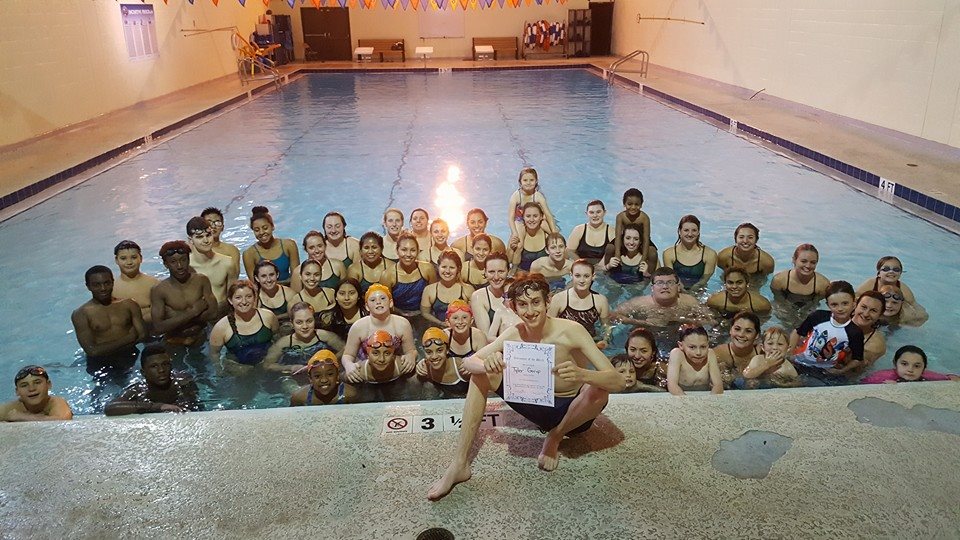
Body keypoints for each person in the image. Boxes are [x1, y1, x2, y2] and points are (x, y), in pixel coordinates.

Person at [427, 274, 624, 500]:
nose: (530, 311)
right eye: (522, 304)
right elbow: (469, 363)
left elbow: (618, 381)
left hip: (572, 414)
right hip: (534, 406)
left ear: (548, 301)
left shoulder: (572, 331)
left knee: (598, 390)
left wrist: (583, 374)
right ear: (513, 307)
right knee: (481, 376)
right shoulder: (515, 333)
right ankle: (459, 464)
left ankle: (555, 437)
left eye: (536, 302)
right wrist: (487, 364)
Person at [71, 266, 147, 376]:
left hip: (130, 355)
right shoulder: (81, 314)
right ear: (88, 286)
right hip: (101, 362)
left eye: (107, 283)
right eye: (96, 285)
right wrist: (129, 338)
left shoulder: (129, 305)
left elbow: (143, 335)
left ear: (113, 282)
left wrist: (106, 348)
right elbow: (92, 351)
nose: (103, 288)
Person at [788, 280, 864, 378]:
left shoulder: (855, 332)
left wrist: (841, 371)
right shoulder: (818, 316)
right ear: (828, 305)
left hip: (825, 371)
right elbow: (797, 332)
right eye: (834, 304)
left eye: (845, 303)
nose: (840, 308)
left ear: (854, 304)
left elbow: (857, 359)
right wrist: (790, 353)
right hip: (800, 361)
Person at [341, 284, 417, 381]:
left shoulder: (402, 324)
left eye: (382, 298)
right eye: (373, 300)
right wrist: (349, 365)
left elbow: (411, 350)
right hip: (366, 368)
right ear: (367, 306)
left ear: (390, 303)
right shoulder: (358, 327)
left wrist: (411, 356)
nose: (378, 302)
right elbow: (348, 355)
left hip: (394, 366)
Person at [151, 241, 219, 347]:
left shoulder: (201, 280)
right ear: (166, 264)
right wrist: (193, 312)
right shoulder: (159, 290)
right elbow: (158, 327)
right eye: (173, 262)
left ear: (188, 260)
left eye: (183, 260)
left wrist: (177, 318)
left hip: (201, 335)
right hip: (175, 340)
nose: (179, 266)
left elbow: (213, 313)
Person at [104, 343, 201, 415]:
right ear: (143, 372)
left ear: (171, 367)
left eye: (165, 364)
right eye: (154, 366)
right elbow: (110, 408)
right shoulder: (139, 390)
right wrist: (158, 406)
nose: (161, 370)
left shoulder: (183, 382)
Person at [208, 280, 279, 372]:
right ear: (230, 300)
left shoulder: (268, 316)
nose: (244, 301)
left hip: (267, 364)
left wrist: (273, 358)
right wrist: (220, 372)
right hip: (239, 370)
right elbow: (214, 354)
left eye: (249, 296)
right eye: (238, 298)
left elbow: (277, 340)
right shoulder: (221, 328)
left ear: (255, 298)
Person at [263, 302, 344, 374]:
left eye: (309, 321)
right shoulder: (283, 343)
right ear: (292, 323)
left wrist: (328, 361)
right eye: (299, 322)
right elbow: (267, 365)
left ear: (314, 320)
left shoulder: (325, 336)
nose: (305, 326)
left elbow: (345, 350)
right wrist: (290, 368)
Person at [613, 267, 706, 327]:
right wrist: (645, 323)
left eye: (670, 282)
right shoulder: (639, 303)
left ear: (678, 287)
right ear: (652, 288)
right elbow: (613, 316)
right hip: (646, 335)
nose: (665, 287)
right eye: (659, 283)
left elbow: (710, 320)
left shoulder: (689, 302)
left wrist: (680, 320)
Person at [548, 259, 611, 348]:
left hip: (591, 342)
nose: (582, 280)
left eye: (586, 276)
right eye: (577, 276)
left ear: (593, 277)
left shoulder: (600, 300)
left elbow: (606, 326)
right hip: (565, 343)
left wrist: (605, 340)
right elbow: (548, 327)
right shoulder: (559, 299)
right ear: (571, 276)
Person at [186, 216, 238, 309]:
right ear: (191, 240)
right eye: (199, 237)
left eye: (208, 235)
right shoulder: (186, 267)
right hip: (198, 315)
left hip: (222, 312)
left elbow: (234, 297)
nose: (206, 240)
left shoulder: (227, 263)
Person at [380, 231, 436, 317]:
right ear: (397, 251)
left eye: (413, 250)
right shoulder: (387, 275)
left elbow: (434, 296)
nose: (408, 254)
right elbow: (386, 305)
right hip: (398, 316)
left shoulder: (427, 269)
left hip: (425, 315)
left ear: (418, 251)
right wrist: (402, 313)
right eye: (404, 250)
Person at [241, 206, 300, 285]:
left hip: (289, 290)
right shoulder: (249, 254)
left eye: (265, 228)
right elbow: (255, 285)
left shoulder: (289, 245)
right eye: (257, 230)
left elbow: (296, 278)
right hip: (265, 292)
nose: (261, 232)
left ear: (272, 227)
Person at [856, 256, 927, 322]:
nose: (891, 272)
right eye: (886, 269)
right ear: (879, 273)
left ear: (900, 273)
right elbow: (855, 299)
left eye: (896, 269)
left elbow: (916, 306)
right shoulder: (870, 284)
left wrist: (918, 317)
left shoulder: (903, 289)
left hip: (892, 315)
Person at [660, 215, 717, 290]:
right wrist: (684, 292)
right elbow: (672, 279)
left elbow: (703, 281)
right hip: (677, 290)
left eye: (694, 230)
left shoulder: (710, 254)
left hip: (698, 292)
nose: (690, 234)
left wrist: (691, 293)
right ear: (679, 231)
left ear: (698, 232)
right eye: (686, 230)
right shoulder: (669, 254)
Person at [420, 250, 474, 327]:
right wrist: (441, 323)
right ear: (438, 267)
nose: (447, 271)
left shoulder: (467, 290)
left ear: (458, 269)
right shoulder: (429, 290)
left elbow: (473, 315)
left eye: (452, 267)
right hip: (438, 329)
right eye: (444, 267)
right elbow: (425, 313)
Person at [112, 240, 159, 327]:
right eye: (123, 258)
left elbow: (161, 312)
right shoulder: (112, 288)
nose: (129, 262)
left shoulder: (154, 284)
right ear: (116, 260)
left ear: (140, 258)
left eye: (133, 257)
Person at [666, 324, 723, 396]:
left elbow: (718, 385)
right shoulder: (677, 354)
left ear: (708, 345)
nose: (698, 353)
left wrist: (710, 400)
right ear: (681, 345)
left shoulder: (710, 354)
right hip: (682, 396)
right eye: (692, 347)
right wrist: (686, 401)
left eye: (703, 347)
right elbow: (672, 385)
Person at [0, 366, 73, 422]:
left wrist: (23, 417)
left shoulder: (56, 402)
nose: (31, 389)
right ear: (17, 391)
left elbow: (63, 421)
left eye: (37, 382)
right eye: (24, 385)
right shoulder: (11, 408)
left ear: (48, 384)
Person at [860, 346, 959, 384]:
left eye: (917, 366)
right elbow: (861, 385)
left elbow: (950, 378)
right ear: (895, 363)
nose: (910, 369)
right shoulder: (882, 376)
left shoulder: (926, 375)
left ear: (924, 368)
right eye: (904, 364)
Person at [416, 327, 470, 395]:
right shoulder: (424, 369)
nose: (434, 356)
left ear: (447, 350)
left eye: (439, 350)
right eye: (429, 352)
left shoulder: (461, 366)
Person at [506, 167, 557, 239]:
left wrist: (554, 232)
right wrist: (514, 232)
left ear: (536, 181)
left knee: (552, 232)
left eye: (532, 180)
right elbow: (511, 217)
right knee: (519, 240)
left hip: (535, 219)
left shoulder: (538, 196)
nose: (528, 183)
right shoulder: (516, 196)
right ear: (520, 182)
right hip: (520, 220)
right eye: (525, 180)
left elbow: (548, 214)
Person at [290, 350, 357, 405]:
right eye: (317, 376)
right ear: (310, 379)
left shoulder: (350, 395)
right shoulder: (299, 398)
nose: (324, 380)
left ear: (337, 376)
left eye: (330, 374)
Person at [612, 188, 657, 270]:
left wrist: (643, 259)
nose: (633, 207)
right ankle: (608, 272)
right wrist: (617, 254)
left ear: (641, 204)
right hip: (625, 238)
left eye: (637, 204)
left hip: (641, 240)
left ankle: (650, 273)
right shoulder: (621, 216)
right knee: (609, 248)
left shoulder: (644, 218)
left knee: (653, 253)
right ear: (624, 204)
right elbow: (618, 236)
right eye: (629, 204)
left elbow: (646, 239)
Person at [713, 311, 762, 385]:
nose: (741, 334)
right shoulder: (719, 354)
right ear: (730, 330)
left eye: (748, 331)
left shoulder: (763, 353)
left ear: (757, 335)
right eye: (737, 329)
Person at [612, 327, 667, 392]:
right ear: (627, 349)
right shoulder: (615, 364)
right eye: (633, 350)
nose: (637, 356)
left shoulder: (661, 370)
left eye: (643, 351)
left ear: (653, 353)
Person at [706, 266, 772, 318]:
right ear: (725, 284)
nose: (734, 286)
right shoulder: (714, 301)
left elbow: (764, 320)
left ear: (747, 283)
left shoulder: (762, 305)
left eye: (739, 282)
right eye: (730, 282)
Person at [470, 252, 509, 336]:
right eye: (491, 272)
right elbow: (486, 336)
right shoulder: (478, 296)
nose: (496, 277)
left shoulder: (517, 293)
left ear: (508, 271)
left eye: (501, 271)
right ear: (485, 272)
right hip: (492, 343)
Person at [566, 199, 615, 265]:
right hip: (582, 268)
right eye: (591, 212)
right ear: (587, 214)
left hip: (604, 268)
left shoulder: (611, 232)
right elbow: (569, 251)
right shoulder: (578, 230)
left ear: (604, 212)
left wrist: (601, 267)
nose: (595, 215)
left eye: (598, 212)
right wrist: (582, 264)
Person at [346, 231, 395, 297]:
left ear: (381, 249)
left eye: (374, 247)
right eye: (366, 248)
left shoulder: (391, 266)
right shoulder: (354, 269)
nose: (370, 251)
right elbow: (352, 296)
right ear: (360, 250)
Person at [252, 260, 295, 331]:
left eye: (271, 275)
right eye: (263, 276)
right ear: (257, 278)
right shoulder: (255, 299)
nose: (268, 280)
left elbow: (297, 315)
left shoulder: (289, 294)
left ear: (277, 275)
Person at [509, 202, 550, 272]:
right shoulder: (518, 235)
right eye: (528, 216)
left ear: (541, 217)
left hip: (543, 275)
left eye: (535, 216)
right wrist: (512, 249)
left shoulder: (547, 237)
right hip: (523, 274)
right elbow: (508, 261)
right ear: (523, 217)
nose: (531, 220)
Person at [849, 291, 887, 366]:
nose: (866, 314)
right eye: (863, 307)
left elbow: (857, 371)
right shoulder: (834, 321)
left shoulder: (875, 344)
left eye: (873, 310)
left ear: (880, 315)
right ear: (855, 306)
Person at [201, 207, 242, 275]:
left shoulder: (231, 251)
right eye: (209, 222)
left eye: (217, 223)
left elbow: (234, 277)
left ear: (222, 227)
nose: (213, 226)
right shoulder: (194, 251)